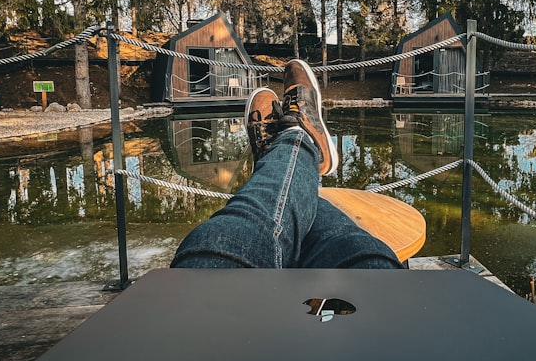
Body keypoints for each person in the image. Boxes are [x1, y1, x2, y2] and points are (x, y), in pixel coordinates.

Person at [171, 59, 404, 269]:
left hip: (202, 295)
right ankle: (300, 138)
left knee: (231, 232)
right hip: (375, 298)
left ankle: (283, 157)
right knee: (348, 245)